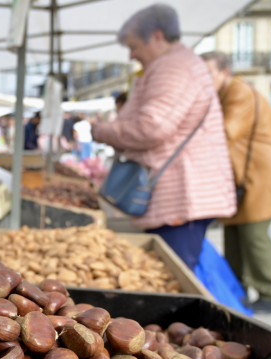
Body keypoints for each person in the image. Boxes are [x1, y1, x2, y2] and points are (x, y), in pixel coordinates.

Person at [91, 4, 236, 271]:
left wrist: (102, 132)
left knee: (174, 273)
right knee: (172, 269)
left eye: (134, 45)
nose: (132, 54)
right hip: (179, 196)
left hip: (183, 196)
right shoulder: (175, 64)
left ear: (157, 36)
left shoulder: (173, 67)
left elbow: (152, 128)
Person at [202, 51, 271, 313]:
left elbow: (224, 132)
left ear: (225, 72)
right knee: (233, 234)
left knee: (254, 236)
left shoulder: (238, 92)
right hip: (246, 177)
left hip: (262, 175)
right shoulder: (222, 94)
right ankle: (238, 288)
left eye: (207, 73)